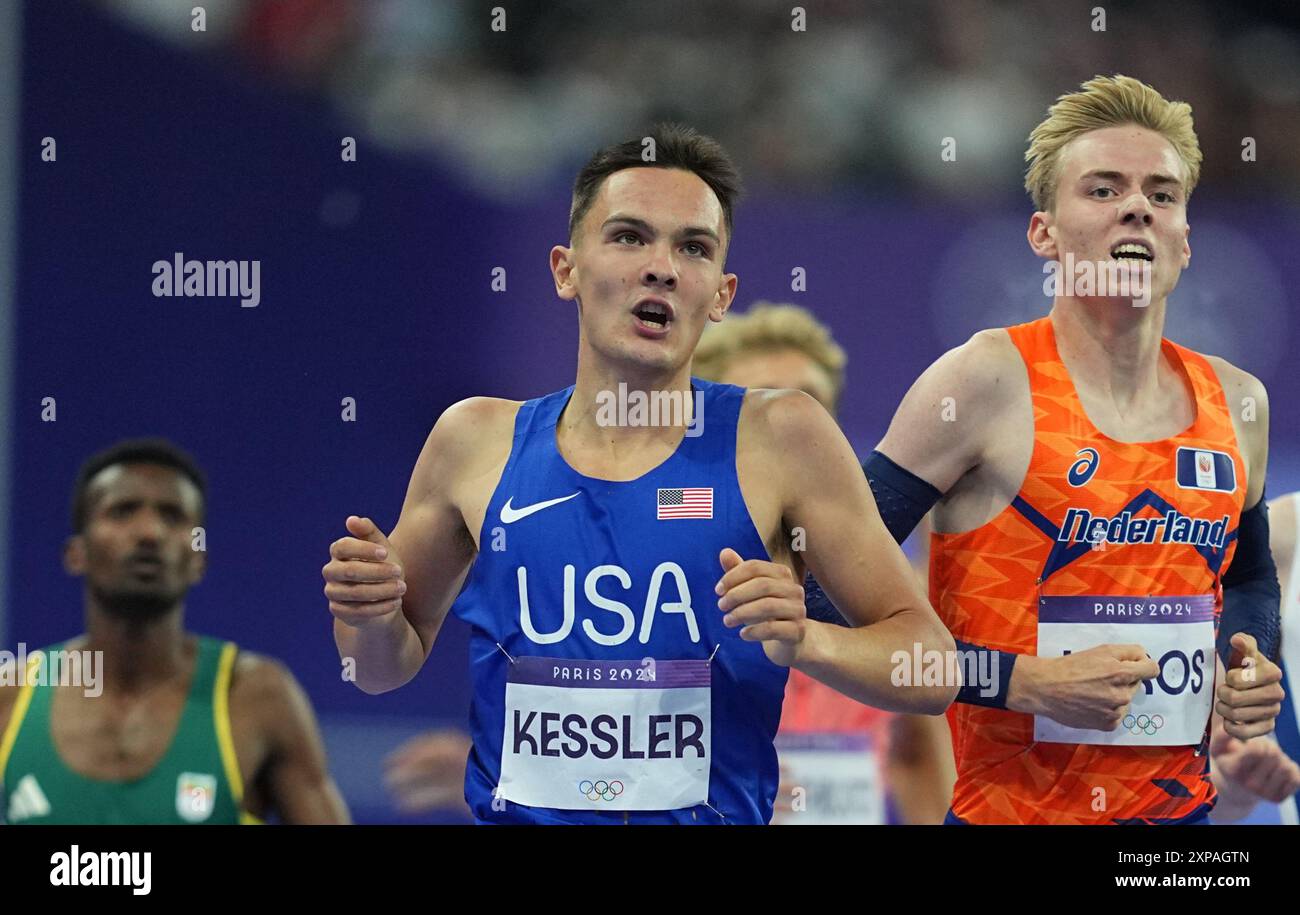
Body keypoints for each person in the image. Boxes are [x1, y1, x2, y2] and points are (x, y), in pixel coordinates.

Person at [323, 124, 956, 825]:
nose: (662, 266)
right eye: (629, 237)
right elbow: (380, 667)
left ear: (721, 292)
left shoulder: (784, 438)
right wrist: (372, 616)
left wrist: (807, 638)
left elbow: (931, 667)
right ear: (565, 269)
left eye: (693, 247)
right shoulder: (473, 440)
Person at [863, 75, 1286, 824]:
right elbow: (832, 602)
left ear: (1185, 240)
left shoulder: (1237, 400)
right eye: (1103, 189)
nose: (1136, 208)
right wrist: (1019, 680)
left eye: (1162, 194)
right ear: (1044, 233)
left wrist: (1248, 659)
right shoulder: (984, 382)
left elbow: (1248, 572)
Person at [693, 301, 955, 824]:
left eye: (811, 409)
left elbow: (921, 756)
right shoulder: (668, 578)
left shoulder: (894, 597)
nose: (793, 431)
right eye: (762, 410)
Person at [0, 438, 349, 824]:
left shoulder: (257, 697)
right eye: (121, 511)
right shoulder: (9, 698)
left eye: (172, 515)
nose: (149, 532)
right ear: (76, 553)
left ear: (198, 560)